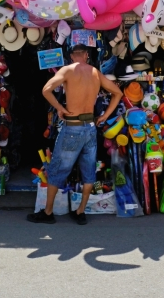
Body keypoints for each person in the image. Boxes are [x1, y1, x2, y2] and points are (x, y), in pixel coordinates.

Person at [27, 44, 123, 225]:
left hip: (72, 127)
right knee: (88, 172)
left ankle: (47, 213)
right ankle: (80, 212)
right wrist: (104, 116)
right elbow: (117, 92)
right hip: (90, 129)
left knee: (56, 171)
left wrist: (60, 108)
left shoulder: (67, 70)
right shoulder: (95, 73)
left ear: (72, 56)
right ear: (86, 55)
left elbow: (46, 90)